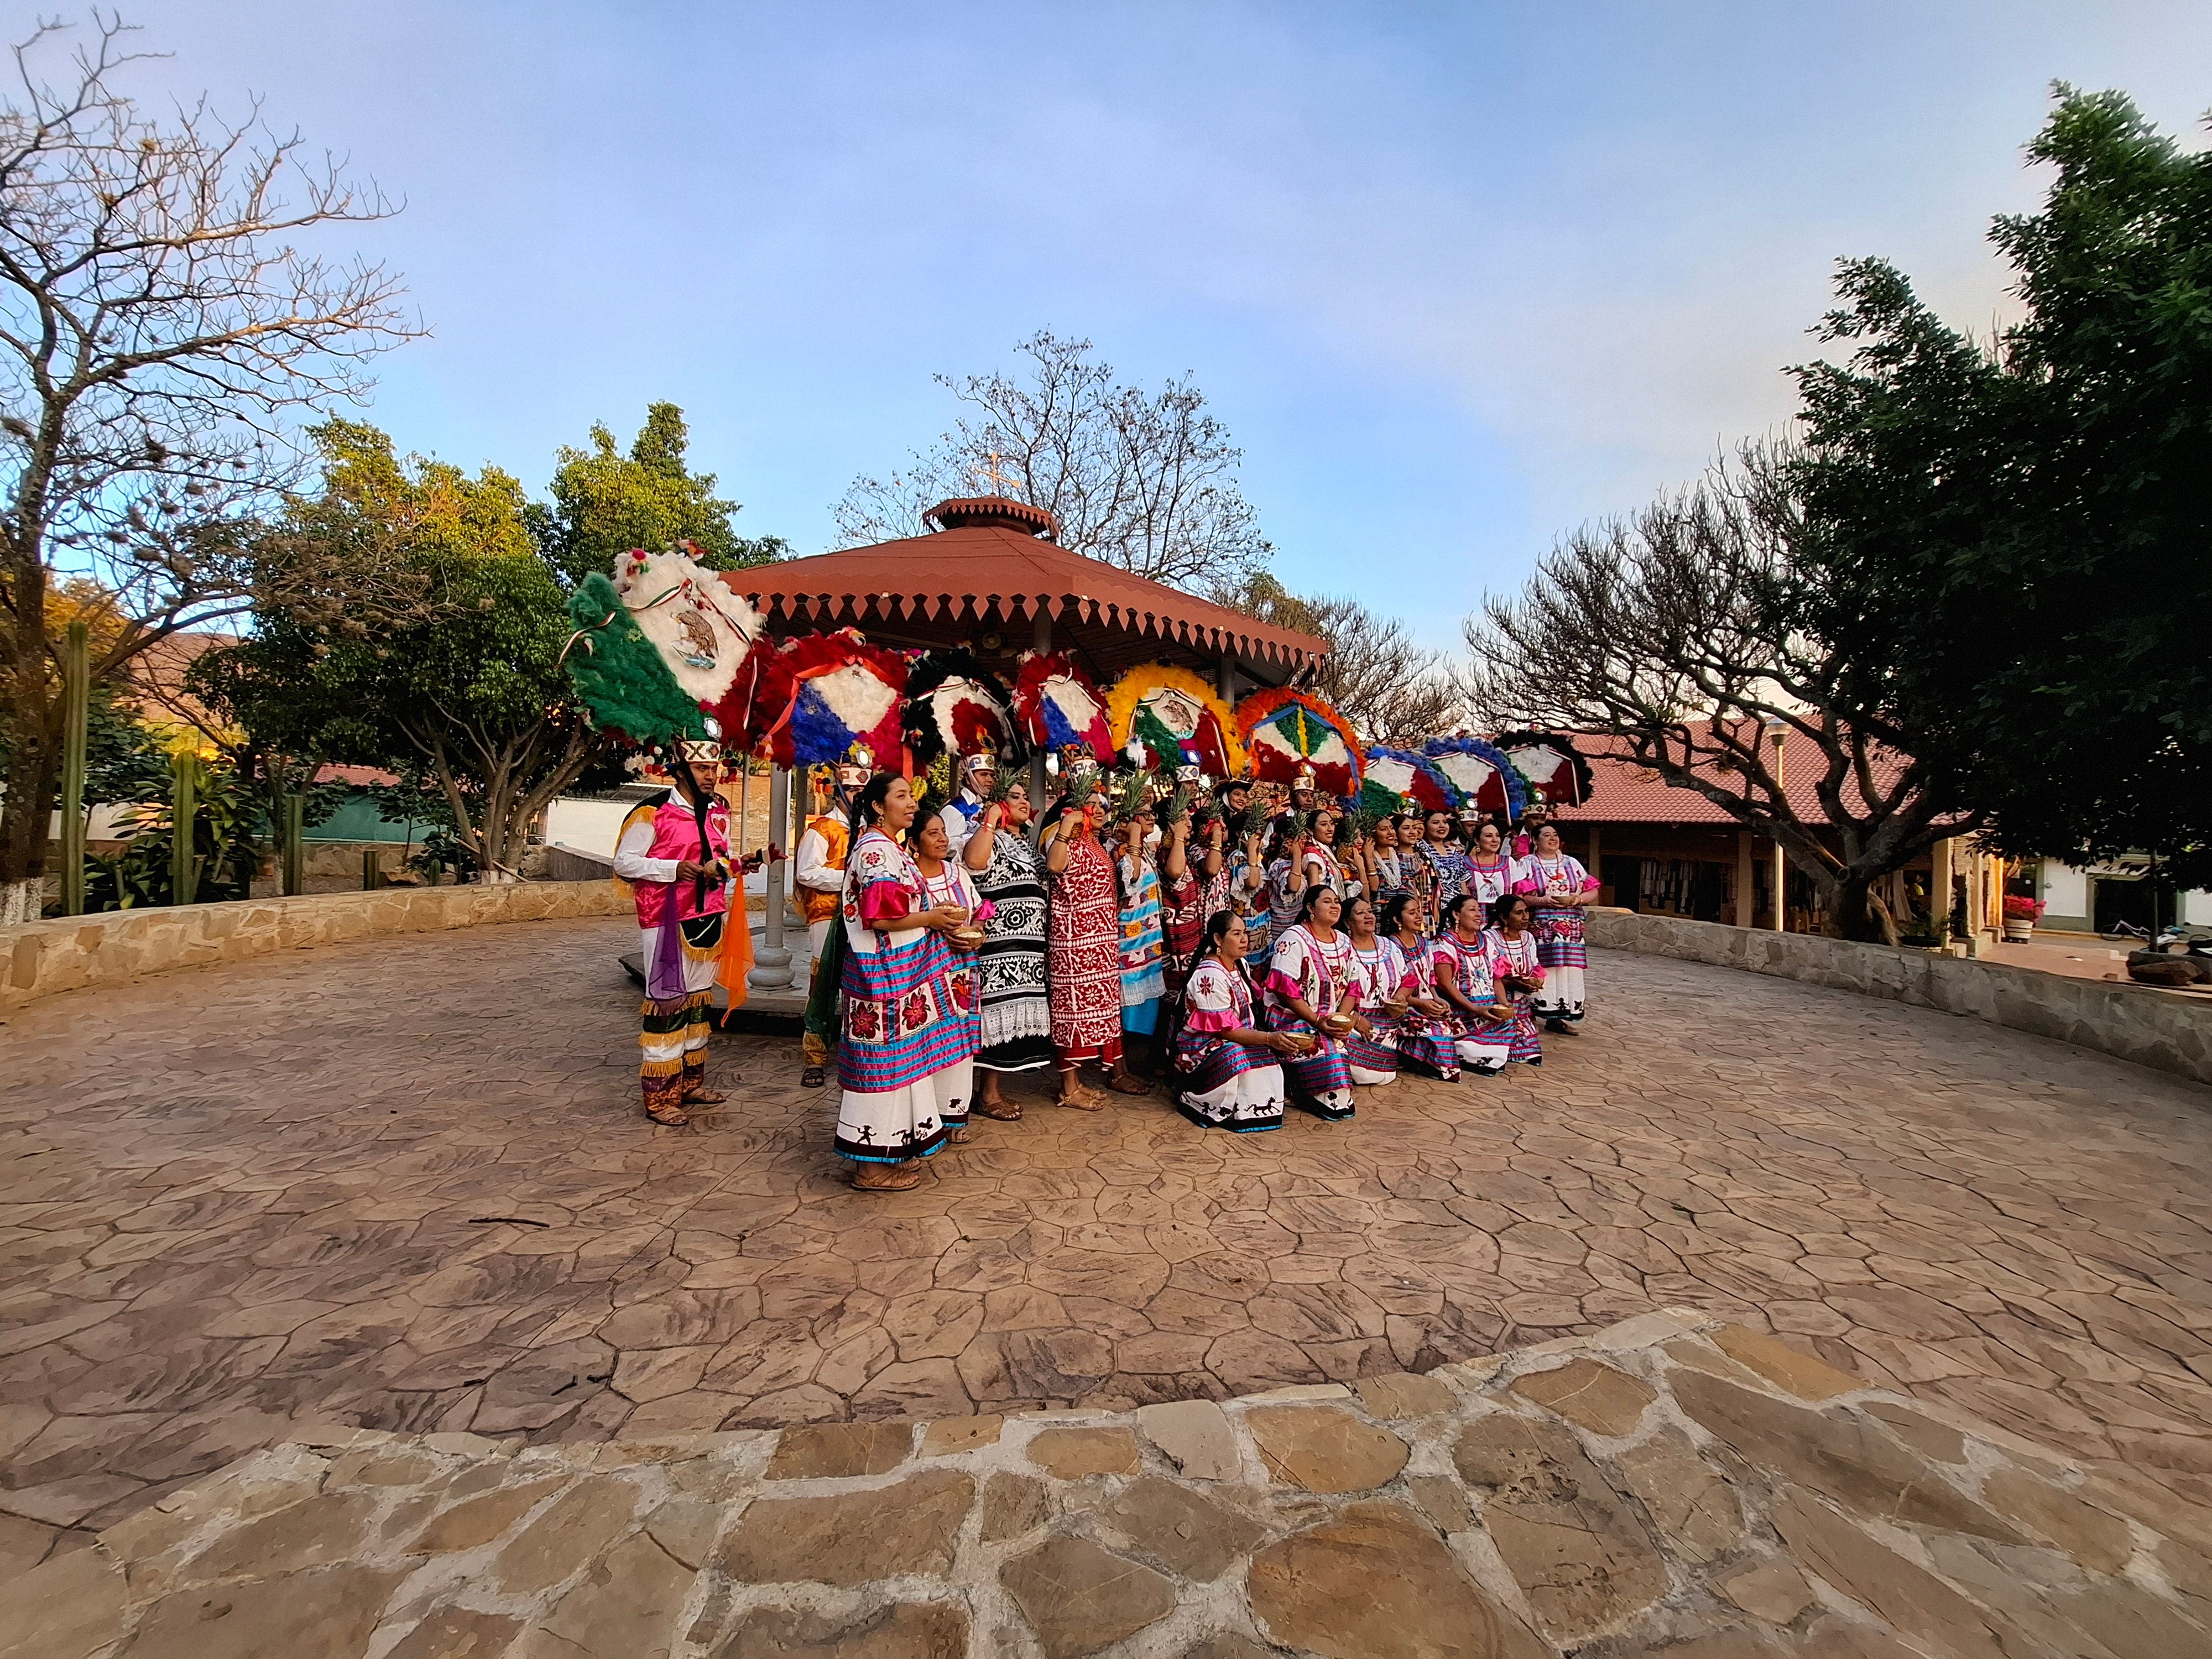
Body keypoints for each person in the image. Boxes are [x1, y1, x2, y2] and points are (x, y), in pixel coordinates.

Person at [834, 773, 982, 1191]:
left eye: (911, 795)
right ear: (879, 806)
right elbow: (879, 918)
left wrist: (935, 920)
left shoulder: (887, 849)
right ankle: (869, 1166)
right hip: (881, 979)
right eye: (901, 796)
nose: (912, 802)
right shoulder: (878, 854)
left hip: (899, 976)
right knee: (880, 1069)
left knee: (898, 1068)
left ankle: (886, 1153)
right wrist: (933, 919)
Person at [613, 741, 759, 1126]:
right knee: (668, 1002)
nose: (711, 776)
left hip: (709, 914)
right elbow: (625, 864)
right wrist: (674, 869)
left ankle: (690, 1083)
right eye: (701, 769)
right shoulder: (653, 813)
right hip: (665, 920)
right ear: (679, 771)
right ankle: (660, 1097)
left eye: (714, 768)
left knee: (697, 1001)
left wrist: (741, 865)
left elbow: (715, 864)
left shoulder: (718, 812)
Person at [1042, 771, 1149, 1106]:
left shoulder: (1097, 844)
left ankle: (1078, 1083)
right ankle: (1068, 1088)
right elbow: (1056, 867)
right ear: (1073, 810)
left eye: (1102, 804)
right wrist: (1066, 827)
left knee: (1098, 1012)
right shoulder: (1061, 838)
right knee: (1070, 1013)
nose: (1100, 810)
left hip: (1101, 943)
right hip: (1072, 941)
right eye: (1091, 805)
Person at [962, 780, 1053, 1120]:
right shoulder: (988, 835)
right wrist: (989, 820)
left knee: (1008, 1020)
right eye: (1014, 797)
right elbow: (974, 861)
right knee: (991, 1016)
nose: (1023, 802)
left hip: (1027, 949)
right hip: (998, 946)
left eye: (1025, 796)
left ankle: (989, 1091)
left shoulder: (1025, 844)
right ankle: (985, 1095)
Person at [1173, 911, 1297, 1132]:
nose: (1244, 939)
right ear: (1218, 940)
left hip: (1235, 1037)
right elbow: (1225, 1031)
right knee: (1236, 1055)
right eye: (1236, 934)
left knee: (1267, 1054)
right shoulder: (1209, 975)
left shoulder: (1240, 965)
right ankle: (1205, 1100)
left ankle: (1246, 1108)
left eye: (1245, 933)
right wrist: (1269, 1038)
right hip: (1201, 1048)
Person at [909, 811, 987, 1142]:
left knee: (958, 1048)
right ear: (914, 842)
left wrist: (976, 933)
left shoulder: (958, 874)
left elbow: (981, 911)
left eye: (943, 832)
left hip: (961, 974)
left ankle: (954, 1117)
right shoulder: (910, 880)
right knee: (926, 1046)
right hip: (923, 976)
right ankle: (927, 1123)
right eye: (932, 833)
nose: (942, 839)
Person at [795, 747, 869, 1088]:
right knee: (823, 985)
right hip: (827, 914)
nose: (859, 797)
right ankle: (815, 1056)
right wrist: (849, 880)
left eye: (863, 792)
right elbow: (807, 873)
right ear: (839, 792)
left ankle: (858, 1051)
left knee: (862, 983)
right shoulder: (822, 830)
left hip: (863, 917)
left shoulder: (872, 832)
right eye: (853, 791)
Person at [1259, 885, 1360, 1119]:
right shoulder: (1294, 938)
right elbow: (1285, 989)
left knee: (1345, 1041)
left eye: (1337, 901)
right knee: (1327, 1047)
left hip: (1327, 1019)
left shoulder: (1344, 942)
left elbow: (1353, 987)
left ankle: (1333, 1094)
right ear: (1310, 908)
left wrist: (1339, 1021)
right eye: (1327, 901)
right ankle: (1306, 1091)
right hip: (1294, 1018)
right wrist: (1317, 1021)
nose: (1335, 905)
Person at [1515, 822, 1599, 1031]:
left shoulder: (1572, 863)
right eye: (1546, 835)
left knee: (1569, 969)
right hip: (1542, 927)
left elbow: (1593, 890)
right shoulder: (1527, 863)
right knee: (1545, 968)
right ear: (1535, 841)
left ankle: (1559, 1018)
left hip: (1571, 929)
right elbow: (1520, 894)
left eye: (1555, 835)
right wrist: (1542, 901)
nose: (1552, 839)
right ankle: (1536, 1012)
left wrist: (1577, 899)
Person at [1431, 894, 1521, 1076]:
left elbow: (1496, 977)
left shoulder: (1486, 941)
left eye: (1479, 910)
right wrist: (1475, 1009)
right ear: (1457, 915)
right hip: (1462, 1010)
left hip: (1488, 1006)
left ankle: (1481, 1057)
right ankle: (1468, 1054)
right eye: (1472, 910)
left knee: (1509, 1020)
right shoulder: (1445, 943)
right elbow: (1445, 984)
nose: (1478, 914)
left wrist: (1503, 1003)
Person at [1377, 893, 1464, 1080]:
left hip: (1425, 1003)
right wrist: (1419, 1004)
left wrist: (1437, 999)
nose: (1418, 916)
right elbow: (1391, 987)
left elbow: (1429, 979)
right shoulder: (1391, 946)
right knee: (1439, 1032)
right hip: (1405, 1007)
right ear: (1397, 919)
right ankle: (1410, 1057)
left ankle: (1427, 1061)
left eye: (1419, 911)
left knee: (1450, 1025)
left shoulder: (1424, 943)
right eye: (1412, 913)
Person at [1112, 794, 1169, 1062]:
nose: (1152, 818)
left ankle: (1126, 1066)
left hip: (1146, 941)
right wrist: (1133, 836)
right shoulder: (1121, 848)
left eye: (1152, 813)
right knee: (1123, 1007)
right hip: (1128, 941)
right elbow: (1131, 879)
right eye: (1144, 814)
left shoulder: (1142, 848)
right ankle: (1118, 1069)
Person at [1338, 895, 1402, 1088]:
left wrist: (1400, 999)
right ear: (1348, 921)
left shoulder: (1388, 946)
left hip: (1386, 1023)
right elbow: (1334, 992)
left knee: (1385, 1075)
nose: (1368, 916)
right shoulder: (1341, 949)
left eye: (1370, 912)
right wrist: (1355, 1018)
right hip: (1354, 1021)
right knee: (1362, 1074)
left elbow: (1408, 980)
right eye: (1360, 913)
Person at [1484, 891, 1548, 1065]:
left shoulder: (1527, 938)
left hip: (1521, 1003)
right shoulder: (1490, 938)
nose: (1526, 917)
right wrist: (1513, 983)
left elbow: (1534, 965)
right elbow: (1488, 975)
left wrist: (1536, 980)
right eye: (1519, 913)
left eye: (1527, 912)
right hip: (1498, 999)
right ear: (1504, 918)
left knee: (1533, 1055)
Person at [1413, 808, 1472, 928]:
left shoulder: (1456, 852)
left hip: (1456, 910)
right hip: (1431, 908)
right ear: (1424, 826)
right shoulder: (1420, 849)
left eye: (1445, 822)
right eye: (1435, 823)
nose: (1442, 826)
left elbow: (1463, 886)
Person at [936, 748, 999, 859]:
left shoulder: (983, 805)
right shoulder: (955, 808)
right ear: (968, 779)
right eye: (984, 775)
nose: (990, 780)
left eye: (992, 776)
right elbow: (948, 845)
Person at [1464, 820, 1516, 919]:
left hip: (1504, 924)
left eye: (1497, 836)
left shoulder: (1509, 862)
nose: (1495, 840)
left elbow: (1518, 895)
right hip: (1475, 923)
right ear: (1477, 840)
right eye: (1489, 836)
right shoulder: (1464, 863)